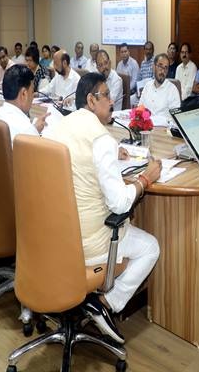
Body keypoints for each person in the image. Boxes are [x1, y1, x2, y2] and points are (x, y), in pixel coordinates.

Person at [50, 72, 161, 344]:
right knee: (151, 247)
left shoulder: (59, 126)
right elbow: (120, 203)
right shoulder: (100, 140)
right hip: (90, 243)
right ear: (91, 100)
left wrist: (112, 151)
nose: (112, 102)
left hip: (58, 236)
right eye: (107, 96)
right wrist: (146, 179)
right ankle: (105, 304)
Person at [0, 64, 48, 144]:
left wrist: (34, 129)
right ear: (24, 94)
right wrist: (34, 131)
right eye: (32, 91)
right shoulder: (26, 129)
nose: (32, 96)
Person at [139, 53, 181, 118]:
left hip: (163, 124)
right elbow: (140, 107)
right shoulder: (147, 86)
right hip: (146, 122)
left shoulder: (172, 90)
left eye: (166, 68)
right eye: (160, 66)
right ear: (153, 67)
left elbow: (175, 117)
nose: (163, 71)